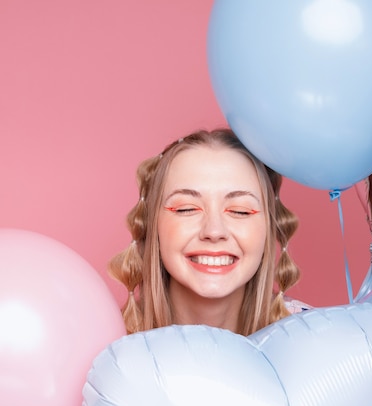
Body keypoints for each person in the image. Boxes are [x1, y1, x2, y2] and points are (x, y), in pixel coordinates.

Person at [109, 127, 306, 337]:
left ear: (268, 225)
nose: (213, 231)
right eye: (187, 208)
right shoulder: (109, 345)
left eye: (240, 211)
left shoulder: (308, 341)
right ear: (152, 224)